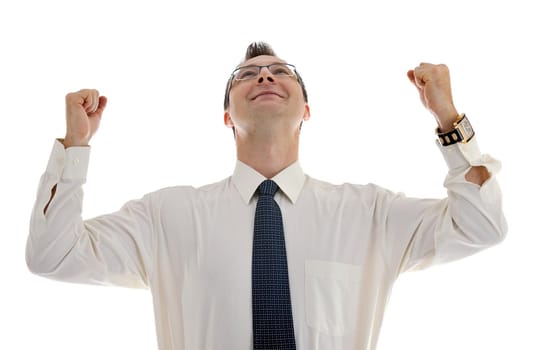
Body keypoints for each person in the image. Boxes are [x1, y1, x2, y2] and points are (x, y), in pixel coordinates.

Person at [26, 42, 507, 350]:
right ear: (227, 118)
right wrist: (74, 147)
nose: (264, 76)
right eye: (246, 74)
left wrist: (449, 121)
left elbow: (480, 226)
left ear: (307, 111)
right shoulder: (166, 217)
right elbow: (53, 256)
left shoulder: (370, 214)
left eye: (281, 71)